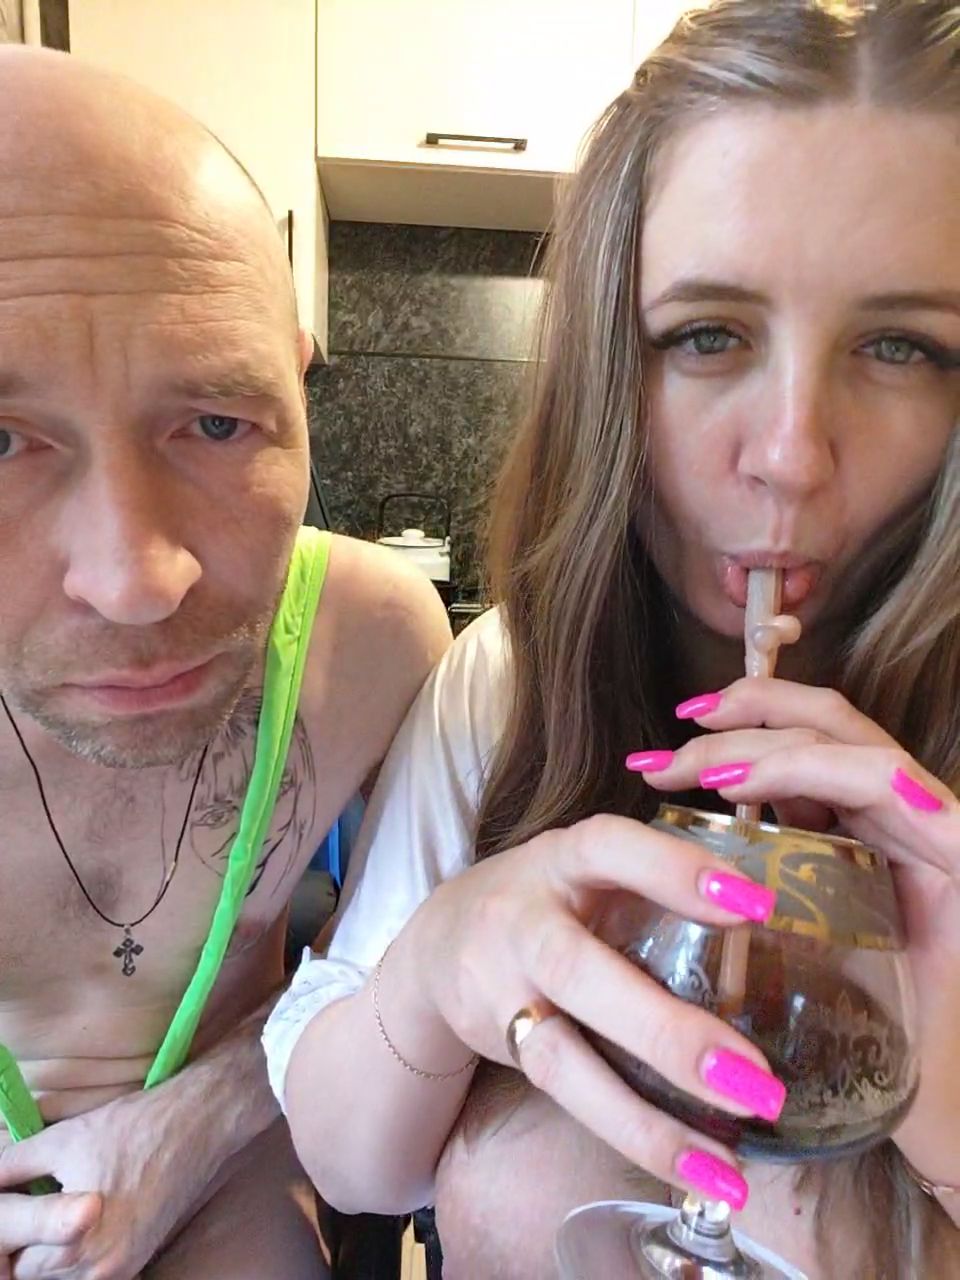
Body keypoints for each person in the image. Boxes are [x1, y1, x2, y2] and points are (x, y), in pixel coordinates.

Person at [265, 1, 960, 1276]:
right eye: (707, 335)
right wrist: (440, 964)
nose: (791, 455)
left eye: (902, 346)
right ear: (605, 367)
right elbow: (356, 1167)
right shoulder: (515, 678)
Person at [0, 42, 451, 1280]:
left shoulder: (372, 646)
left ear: (299, 383)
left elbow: (404, 974)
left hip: (234, 1147)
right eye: (1, 438)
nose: (138, 579)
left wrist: (189, 1125)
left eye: (216, 422)